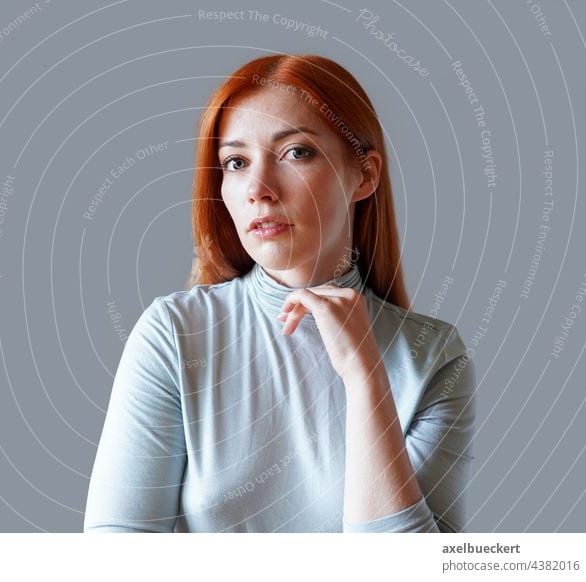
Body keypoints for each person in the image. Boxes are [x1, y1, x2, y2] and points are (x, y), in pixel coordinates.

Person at [84, 54, 476, 533]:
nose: (259, 188)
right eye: (236, 162)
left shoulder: (434, 358)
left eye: (296, 152)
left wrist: (366, 380)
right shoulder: (175, 334)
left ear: (365, 175)